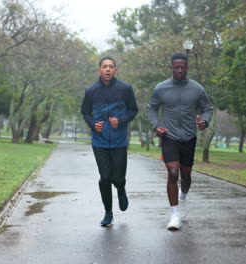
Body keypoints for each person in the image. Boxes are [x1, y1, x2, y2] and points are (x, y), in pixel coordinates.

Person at [148, 52, 213, 230]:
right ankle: (175, 215)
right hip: (169, 136)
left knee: (186, 176)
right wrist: (156, 126)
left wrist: (204, 122)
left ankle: (182, 198)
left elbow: (208, 108)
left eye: (182, 67)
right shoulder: (161, 88)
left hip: (189, 137)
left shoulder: (197, 89)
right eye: (175, 67)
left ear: (187, 67)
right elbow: (152, 109)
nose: (179, 70)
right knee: (173, 173)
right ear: (171, 67)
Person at [81, 56, 138, 227]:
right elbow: (85, 112)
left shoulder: (125, 88)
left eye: (111, 67)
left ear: (115, 70)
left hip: (119, 140)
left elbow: (133, 110)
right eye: (104, 66)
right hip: (100, 141)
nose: (107, 69)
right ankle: (108, 212)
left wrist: (120, 121)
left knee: (118, 178)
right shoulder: (91, 91)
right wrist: (93, 125)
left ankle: (121, 189)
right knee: (105, 177)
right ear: (99, 70)